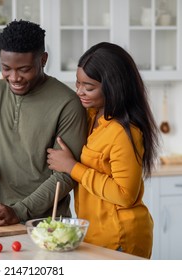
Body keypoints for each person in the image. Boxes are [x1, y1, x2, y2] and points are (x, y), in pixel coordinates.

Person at [0, 20, 87, 226]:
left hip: (48, 225)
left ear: (43, 60)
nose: (14, 78)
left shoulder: (68, 103)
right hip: (0, 219)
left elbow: (66, 175)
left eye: (24, 69)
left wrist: (19, 210)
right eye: (6, 68)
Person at [46, 42, 159, 259]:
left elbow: (125, 195)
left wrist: (72, 167)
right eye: (77, 84)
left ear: (114, 87)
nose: (79, 92)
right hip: (94, 234)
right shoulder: (92, 116)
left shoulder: (124, 133)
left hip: (120, 237)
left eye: (88, 87)